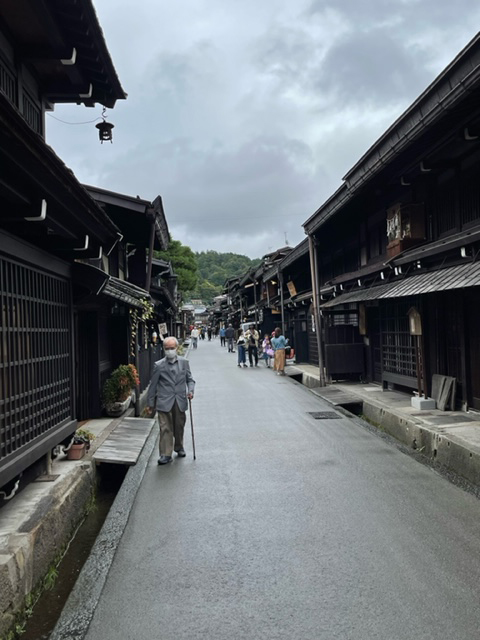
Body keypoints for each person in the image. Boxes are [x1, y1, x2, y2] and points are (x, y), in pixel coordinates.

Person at [147, 337, 195, 465]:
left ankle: (179, 446)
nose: (169, 351)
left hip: (180, 399)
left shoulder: (184, 363)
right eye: (167, 349)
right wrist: (150, 404)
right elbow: (153, 385)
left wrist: (190, 391)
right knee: (165, 428)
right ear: (164, 349)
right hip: (164, 400)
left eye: (172, 348)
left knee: (179, 426)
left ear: (177, 348)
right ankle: (165, 454)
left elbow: (190, 380)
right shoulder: (159, 365)